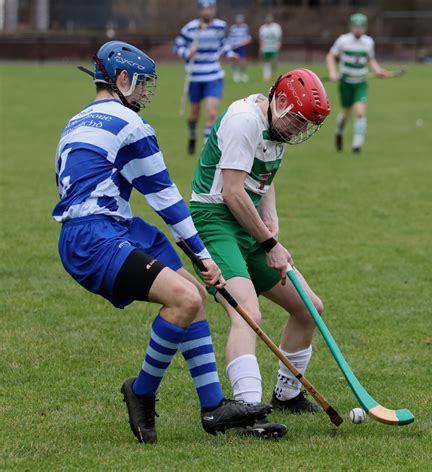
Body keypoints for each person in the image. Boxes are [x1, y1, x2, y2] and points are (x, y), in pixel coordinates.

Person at [52, 40, 271, 445]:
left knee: (193, 295)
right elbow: (167, 201)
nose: (145, 93)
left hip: (106, 226)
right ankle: (141, 392)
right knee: (185, 299)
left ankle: (213, 407)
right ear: (121, 79)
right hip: (94, 236)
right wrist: (204, 257)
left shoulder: (78, 120)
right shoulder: (130, 125)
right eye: (141, 84)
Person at [189, 68, 331, 438]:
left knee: (308, 307)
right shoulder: (243, 121)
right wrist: (271, 245)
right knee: (247, 313)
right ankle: (247, 413)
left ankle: (287, 395)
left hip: (247, 222)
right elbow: (232, 192)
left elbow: (262, 181)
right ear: (280, 101)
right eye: (299, 122)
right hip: (215, 222)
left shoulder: (277, 124)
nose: (300, 130)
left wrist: (271, 220)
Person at [175, 0, 237, 155]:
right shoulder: (190, 28)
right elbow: (177, 45)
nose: (208, 12)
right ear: (200, 11)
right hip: (195, 76)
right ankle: (192, 134)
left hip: (213, 75)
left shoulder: (220, 26)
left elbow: (224, 45)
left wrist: (230, 55)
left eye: (210, 8)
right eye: (205, 9)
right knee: (194, 113)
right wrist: (187, 53)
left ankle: (205, 149)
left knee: (211, 113)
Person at [326, 13, 391, 153]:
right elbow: (331, 56)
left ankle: (357, 145)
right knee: (345, 113)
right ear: (351, 27)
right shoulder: (343, 40)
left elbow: (370, 59)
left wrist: (378, 70)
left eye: (360, 27)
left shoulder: (368, 42)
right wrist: (332, 72)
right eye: (355, 27)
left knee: (360, 112)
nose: (358, 30)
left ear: (365, 28)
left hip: (361, 82)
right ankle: (339, 132)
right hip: (345, 83)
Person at [228, 14, 252, 83]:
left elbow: (248, 37)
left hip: (241, 46)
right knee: (234, 61)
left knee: (243, 61)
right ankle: (236, 74)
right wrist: (230, 45)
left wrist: (246, 41)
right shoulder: (233, 28)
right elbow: (230, 38)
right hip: (234, 46)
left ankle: (243, 74)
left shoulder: (245, 27)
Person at [259, 14, 282, 82]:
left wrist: (279, 44)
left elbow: (279, 37)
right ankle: (267, 75)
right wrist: (261, 47)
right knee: (266, 61)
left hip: (273, 47)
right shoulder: (263, 28)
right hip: (266, 47)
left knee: (274, 61)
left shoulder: (276, 27)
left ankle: (275, 75)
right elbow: (261, 39)